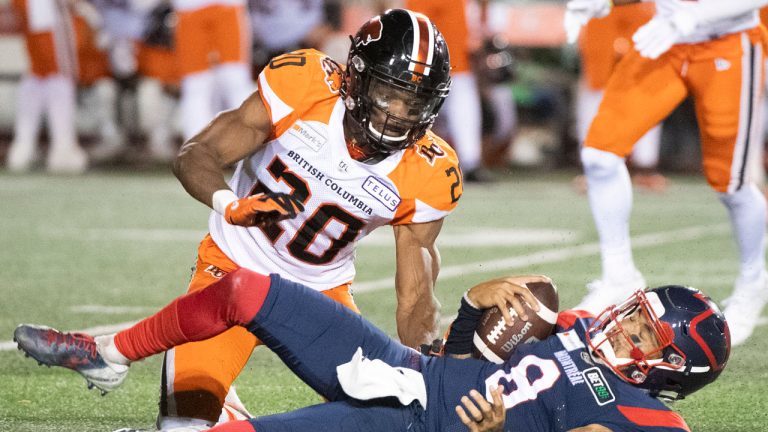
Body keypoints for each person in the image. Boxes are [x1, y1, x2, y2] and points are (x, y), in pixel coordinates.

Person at [147, 9, 460, 430]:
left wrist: (429, 368)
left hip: (320, 294)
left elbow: (415, 296)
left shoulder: (429, 169)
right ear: (357, 77)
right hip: (231, 273)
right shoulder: (305, 85)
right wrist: (228, 203)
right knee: (182, 425)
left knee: (400, 414)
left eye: (415, 102)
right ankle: (223, 406)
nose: (399, 114)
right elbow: (196, 154)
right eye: (389, 94)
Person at [14, 270, 729, 431]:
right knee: (246, 291)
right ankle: (111, 353)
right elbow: (459, 359)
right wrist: (479, 303)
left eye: (642, 334)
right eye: (633, 314)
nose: (622, 328)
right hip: (405, 369)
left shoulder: (651, 420)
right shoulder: (566, 320)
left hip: (410, 427)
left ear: (670, 368)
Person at [564, 0, 768, 346]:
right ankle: (618, 275)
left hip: (727, 42)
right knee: (600, 154)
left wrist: (691, 16)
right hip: (665, 39)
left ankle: (754, 281)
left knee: (731, 184)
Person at [405, 0, 491, 182]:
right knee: (418, 118)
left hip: (459, 64)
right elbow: (418, 26)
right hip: (432, 67)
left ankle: (470, 162)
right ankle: (410, 163)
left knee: (464, 115)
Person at [7, 0, 89, 174]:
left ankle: (24, 147)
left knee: (41, 70)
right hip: (48, 12)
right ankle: (62, 149)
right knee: (56, 73)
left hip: (39, 13)